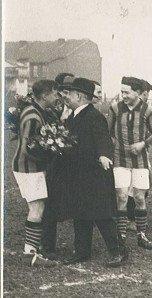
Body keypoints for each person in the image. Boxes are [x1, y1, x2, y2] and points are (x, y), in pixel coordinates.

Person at [63, 78, 127, 267]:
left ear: (79, 96)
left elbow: (104, 139)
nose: (67, 96)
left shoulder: (94, 116)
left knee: (101, 214)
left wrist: (105, 155)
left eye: (70, 93)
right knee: (80, 212)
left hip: (95, 174)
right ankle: (82, 252)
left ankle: (119, 252)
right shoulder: (73, 116)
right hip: (79, 174)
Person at [107, 76, 152, 249]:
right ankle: (121, 236)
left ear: (137, 93)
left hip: (140, 160)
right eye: (121, 91)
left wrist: (143, 144)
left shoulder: (148, 110)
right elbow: (109, 132)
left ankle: (141, 235)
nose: (123, 95)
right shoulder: (115, 108)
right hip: (120, 159)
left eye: (127, 92)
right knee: (121, 196)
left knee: (139, 197)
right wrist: (115, 144)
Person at [12, 79, 59, 267]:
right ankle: (30, 253)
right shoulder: (33, 115)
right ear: (45, 95)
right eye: (55, 93)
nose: (58, 97)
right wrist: (48, 157)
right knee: (37, 208)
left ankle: (33, 250)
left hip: (31, 168)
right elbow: (27, 148)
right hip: (29, 168)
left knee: (38, 207)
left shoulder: (38, 111)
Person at [40, 74, 75, 255]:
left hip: (72, 160)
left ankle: (81, 243)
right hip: (56, 161)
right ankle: (47, 243)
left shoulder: (76, 107)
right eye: (64, 90)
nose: (66, 95)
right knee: (51, 201)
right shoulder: (52, 109)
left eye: (70, 91)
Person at [126, 79, 152, 227]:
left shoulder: (147, 108)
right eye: (144, 94)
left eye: (147, 94)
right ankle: (130, 219)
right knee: (131, 186)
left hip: (142, 152)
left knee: (143, 185)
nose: (146, 97)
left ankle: (133, 216)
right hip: (129, 153)